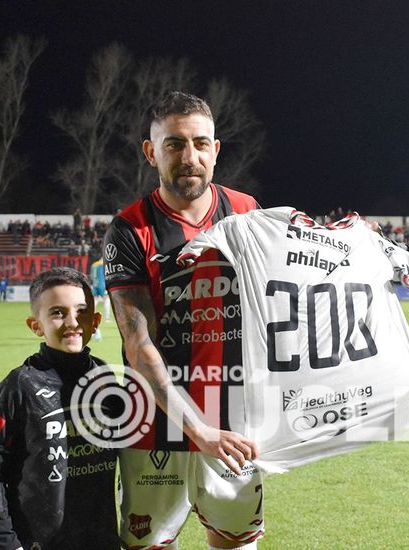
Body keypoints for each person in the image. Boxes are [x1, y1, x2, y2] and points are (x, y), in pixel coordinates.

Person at [103, 91, 263, 550]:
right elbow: (139, 345)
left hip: (234, 419)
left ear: (216, 149)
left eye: (199, 143)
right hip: (153, 426)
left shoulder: (247, 212)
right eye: (173, 144)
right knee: (151, 545)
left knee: (234, 541)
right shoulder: (130, 230)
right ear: (151, 152)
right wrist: (197, 429)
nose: (188, 156)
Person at [0, 267, 119, 550]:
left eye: (81, 311)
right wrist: (7, 543)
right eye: (57, 313)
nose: (72, 322)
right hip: (40, 541)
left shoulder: (105, 375)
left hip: (101, 536)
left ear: (95, 321)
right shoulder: (20, 384)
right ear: (36, 325)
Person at [89, 257, 111, 340]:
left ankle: (91, 314)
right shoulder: (103, 265)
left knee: (95, 301)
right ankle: (107, 318)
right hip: (102, 285)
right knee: (107, 300)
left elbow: (91, 275)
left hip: (95, 284)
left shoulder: (94, 265)